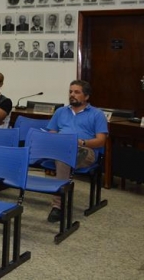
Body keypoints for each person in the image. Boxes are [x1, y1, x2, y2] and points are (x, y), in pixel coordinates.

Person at [45, 80, 108, 223]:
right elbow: (52, 132)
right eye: (70, 91)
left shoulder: (97, 114)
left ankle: (57, 206)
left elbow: (101, 141)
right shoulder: (61, 111)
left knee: (64, 159)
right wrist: (54, 139)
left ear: (86, 97)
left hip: (86, 150)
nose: (72, 95)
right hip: (61, 146)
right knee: (55, 151)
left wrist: (82, 142)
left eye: (76, 92)